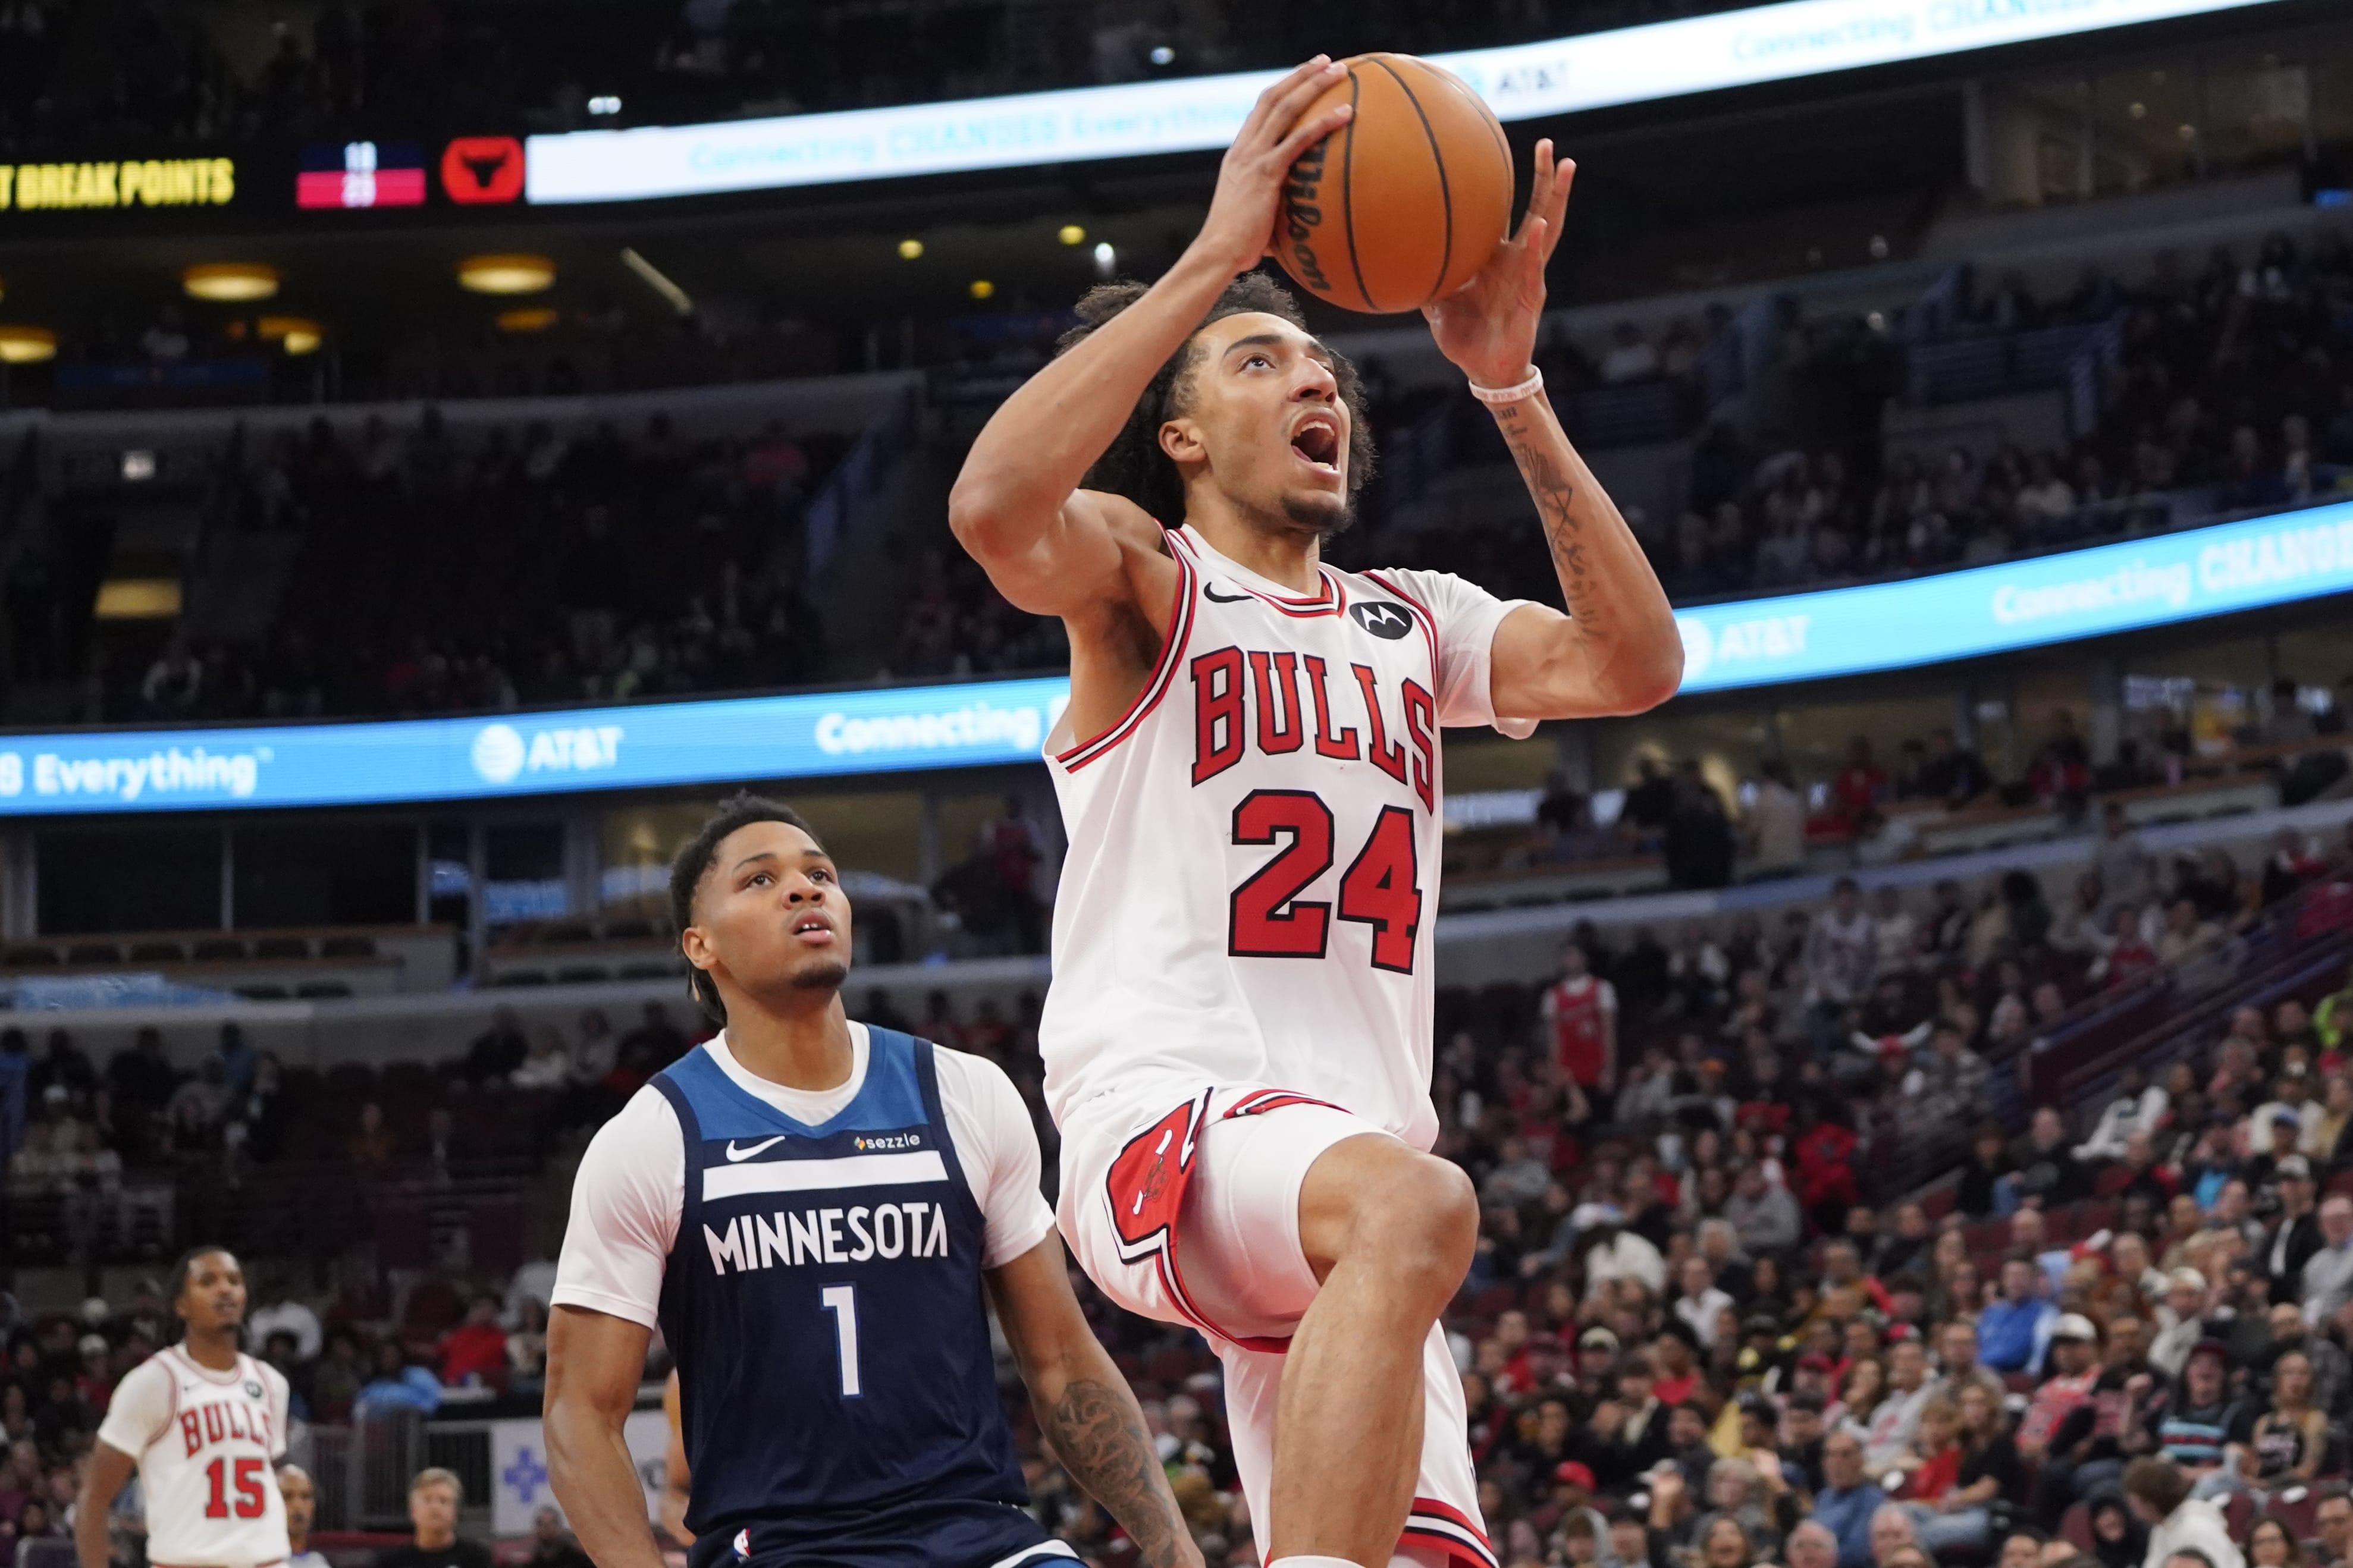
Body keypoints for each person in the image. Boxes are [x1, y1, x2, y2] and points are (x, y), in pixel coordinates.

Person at [948, 58, 1679, 1568]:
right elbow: (994, 510)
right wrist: (1215, 260)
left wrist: (1512, 387)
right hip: (1179, 1117)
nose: (1318, 380)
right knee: (1421, 1201)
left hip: (1351, 1218)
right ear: (1182, 437)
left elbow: (1632, 661)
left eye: (1323, 364)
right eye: (1263, 363)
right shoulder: (1149, 585)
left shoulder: (1416, 621)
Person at [545, 796, 1196, 1568]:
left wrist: (1170, 1542)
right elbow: (581, 1411)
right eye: (760, 880)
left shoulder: (964, 1093)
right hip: (782, 1547)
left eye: (820, 873)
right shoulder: (653, 1136)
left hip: (983, 1536)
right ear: (701, 944)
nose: (804, 888)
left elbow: (1061, 1360)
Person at [74, 1246, 294, 1568]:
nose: (225, 1289)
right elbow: (94, 1498)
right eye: (208, 1281)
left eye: (234, 1281)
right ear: (181, 1305)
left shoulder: (272, 1384)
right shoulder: (153, 1382)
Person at [2123, 1456, 2242, 1568]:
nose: (2130, 1502)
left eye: (2134, 1497)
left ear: (2149, 1501)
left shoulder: (2198, 1527)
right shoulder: (2161, 1530)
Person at [1543, 943, 1618, 1113]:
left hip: (1596, 1069)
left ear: (1584, 958)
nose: (1571, 959)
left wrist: (1609, 1070)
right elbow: (1554, 1040)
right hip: (1568, 1074)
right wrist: (1554, 1073)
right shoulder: (1552, 996)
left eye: (1575, 955)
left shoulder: (1602, 988)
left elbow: (1609, 1033)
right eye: (1567, 955)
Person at [375, 1469, 492, 1568]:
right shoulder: (391, 1562)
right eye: (427, 1500)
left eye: (443, 1500)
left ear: (456, 1512)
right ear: (412, 1511)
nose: (435, 1508)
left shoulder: (477, 1558)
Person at [280, 1464, 330, 1568]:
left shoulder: (319, 1563)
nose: (298, 1506)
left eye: (305, 1496)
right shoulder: (252, 1562)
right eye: (287, 1496)